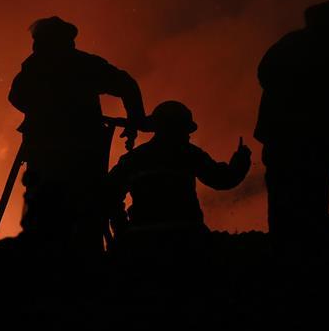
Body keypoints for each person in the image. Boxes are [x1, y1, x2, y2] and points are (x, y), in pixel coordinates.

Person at [8, 16, 147, 253]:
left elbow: (16, 97)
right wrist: (136, 119)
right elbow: (126, 84)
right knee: (86, 214)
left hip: (48, 157)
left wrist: (43, 112)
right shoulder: (84, 65)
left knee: (48, 217)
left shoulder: (34, 67)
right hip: (83, 156)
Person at [254, 2, 329, 239]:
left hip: (284, 137)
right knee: (313, 193)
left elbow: (265, 73)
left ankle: (286, 244)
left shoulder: (292, 44)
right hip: (318, 140)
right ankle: (310, 246)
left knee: (282, 196)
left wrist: (287, 104)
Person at [107, 100, 252, 237]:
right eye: (185, 130)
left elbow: (110, 193)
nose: (188, 136)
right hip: (186, 237)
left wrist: (122, 230)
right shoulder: (189, 154)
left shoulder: (134, 158)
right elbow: (223, 179)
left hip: (144, 238)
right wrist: (241, 161)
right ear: (177, 128)